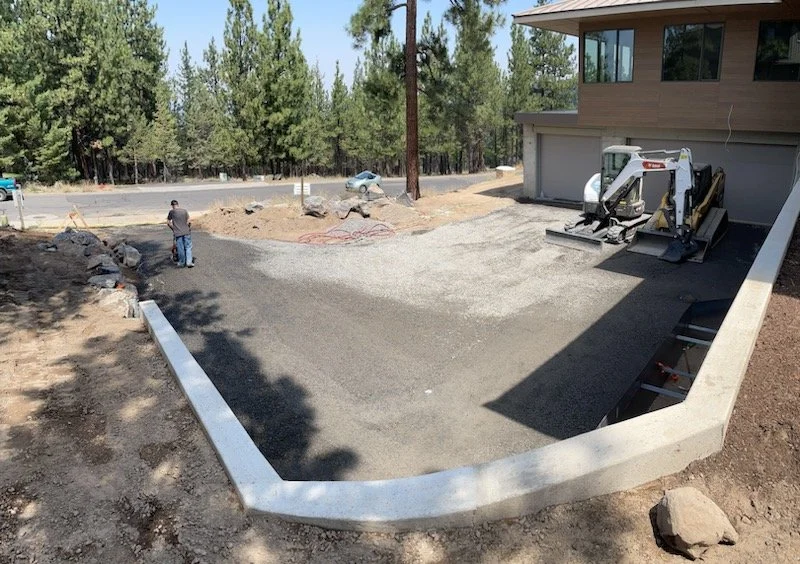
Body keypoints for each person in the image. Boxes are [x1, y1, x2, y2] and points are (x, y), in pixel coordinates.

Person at [167, 199, 194, 268]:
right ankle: (189, 262)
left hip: (178, 233)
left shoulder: (171, 212)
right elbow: (189, 221)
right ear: (178, 204)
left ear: (172, 206)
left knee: (180, 248)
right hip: (186, 232)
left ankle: (182, 262)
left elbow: (168, 222)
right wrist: (188, 228)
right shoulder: (184, 211)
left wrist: (173, 229)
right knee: (188, 247)